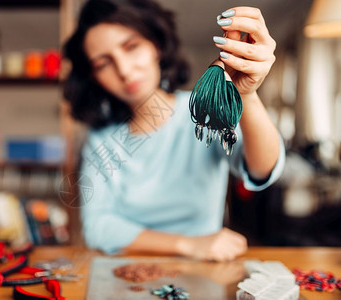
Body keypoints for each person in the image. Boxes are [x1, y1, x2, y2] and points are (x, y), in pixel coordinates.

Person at [63, 0, 285, 262]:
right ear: (93, 77)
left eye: (131, 47)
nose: (124, 70)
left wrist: (246, 95)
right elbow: (98, 229)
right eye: (103, 64)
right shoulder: (101, 141)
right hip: (130, 271)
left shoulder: (205, 110)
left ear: (156, 44)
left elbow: (262, 170)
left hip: (205, 271)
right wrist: (189, 245)